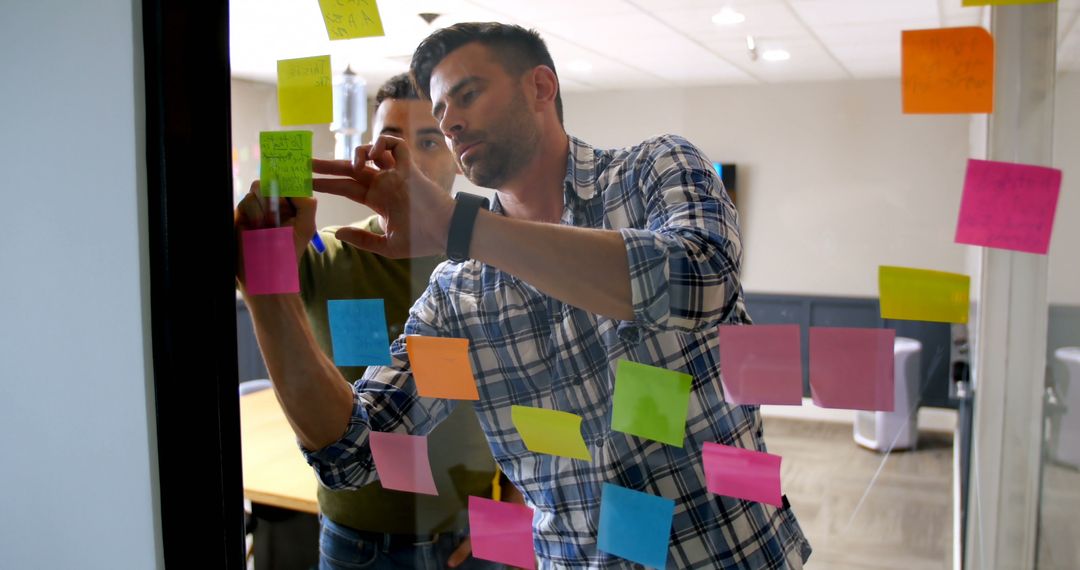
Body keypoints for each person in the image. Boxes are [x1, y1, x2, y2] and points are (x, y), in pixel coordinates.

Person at [238, 22, 812, 568]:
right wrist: (264, 277)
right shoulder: (459, 294)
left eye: (468, 94)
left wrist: (459, 230)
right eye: (442, 110)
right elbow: (351, 451)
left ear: (540, 86)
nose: (451, 123)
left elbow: (699, 281)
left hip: (730, 556)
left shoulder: (651, 170)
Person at [239, 74, 515, 570]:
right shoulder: (323, 251)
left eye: (429, 141)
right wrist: (269, 226)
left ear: (456, 154)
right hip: (354, 539)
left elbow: (533, 395)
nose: (403, 158)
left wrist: (514, 512)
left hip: (473, 532)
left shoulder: (493, 257)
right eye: (389, 140)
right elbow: (257, 282)